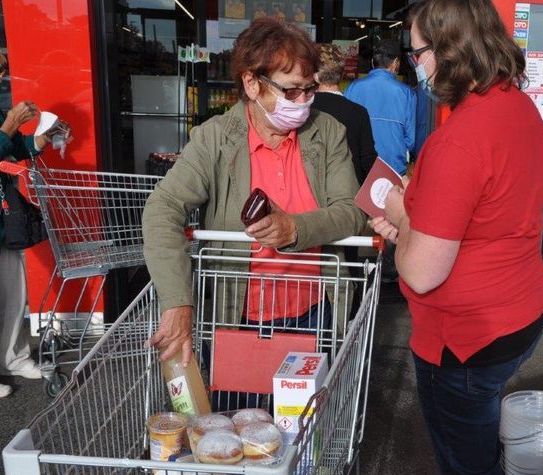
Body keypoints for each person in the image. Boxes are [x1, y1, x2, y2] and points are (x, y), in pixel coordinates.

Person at [369, 1, 543, 475]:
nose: (414, 64)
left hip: (464, 342)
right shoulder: (517, 106)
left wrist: (404, 217)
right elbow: (486, 207)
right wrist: (414, 210)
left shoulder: (460, 140)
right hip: (518, 314)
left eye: (419, 51)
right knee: (477, 458)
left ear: (450, 51)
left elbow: (421, 273)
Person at [142, 18, 366, 368]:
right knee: (238, 416)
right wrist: (177, 302)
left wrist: (294, 229)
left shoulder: (327, 133)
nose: (304, 101)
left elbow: (351, 210)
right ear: (251, 83)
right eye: (291, 91)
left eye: (310, 89)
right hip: (237, 316)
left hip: (313, 314)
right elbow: (164, 207)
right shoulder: (215, 137)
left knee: (303, 419)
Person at [0, 48, 67, 398]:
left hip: (4, 219)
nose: (1, 77)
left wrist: (40, 138)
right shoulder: (2, 114)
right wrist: (9, 123)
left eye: (3, 70)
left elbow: (12, 147)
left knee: (14, 295)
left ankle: (15, 358)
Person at [345, 40, 415, 176]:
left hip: (358, 167)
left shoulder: (353, 87)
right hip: (393, 168)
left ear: (372, 62)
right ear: (396, 63)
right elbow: (411, 140)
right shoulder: (406, 93)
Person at [313, 43, 376, 184]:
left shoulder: (305, 110)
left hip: (313, 193)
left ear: (315, 76)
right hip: (349, 193)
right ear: (342, 75)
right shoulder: (358, 113)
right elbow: (368, 161)